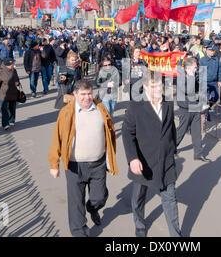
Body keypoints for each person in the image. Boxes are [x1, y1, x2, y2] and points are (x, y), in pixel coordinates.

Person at [48, 79, 118, 237]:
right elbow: (57, 139)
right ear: (75, 94)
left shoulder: (101, 108)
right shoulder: (66, 112)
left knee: (99, 197)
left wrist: (110, 157)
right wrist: (54, 163)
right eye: (83, 94)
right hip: (75, 166)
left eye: (89, 94)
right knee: (75, 204)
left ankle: (93, 208)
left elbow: (110, 132)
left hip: (97, 164)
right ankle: (80, 233)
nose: (87, 97)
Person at [122, 71, 182, 237]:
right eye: (154, 86)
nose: (157, 90)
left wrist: (174, 149)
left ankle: (176, 235)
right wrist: (133, 158)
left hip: (166, 160)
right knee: (139, 195)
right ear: (146, 87)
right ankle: (139, 224)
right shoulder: (136, 106)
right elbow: (127, 134)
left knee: (170, 198)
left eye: (160, 86)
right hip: (144, 161)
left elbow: (171, 128)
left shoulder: (168, 103)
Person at [176, 57, 210, 162]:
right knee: (181, 132)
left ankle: (198, 154)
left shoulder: (194, 77)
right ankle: (170, 148)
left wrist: (203, 103)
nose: (196, 69)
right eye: (195, 67)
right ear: (187, 68)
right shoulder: (182, 78)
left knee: (197, 132)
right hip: (185, 109)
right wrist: (191, 78)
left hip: (195, 108)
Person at [0, 58, 20, 131]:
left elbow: (17, 79)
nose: (14, 64)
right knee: (4, 109)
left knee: (12, 108)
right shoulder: (1, 73)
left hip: (13, 93)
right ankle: (5, 124)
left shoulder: (14, 71)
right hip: (3, 94)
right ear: (9, 65)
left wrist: (17, 82)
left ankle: (11, 120)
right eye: (13, 63)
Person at [199, 44, 221, 121]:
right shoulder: (202, 60)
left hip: (214, 82)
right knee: (206, 98)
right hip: (205, 82)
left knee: (216, 97)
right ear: (207, 51)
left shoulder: (216, 59)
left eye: (213, 51)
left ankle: (208, 107)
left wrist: (219, 80)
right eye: (211, 51)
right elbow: (200, 72)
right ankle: (207, 115)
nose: (213, 52)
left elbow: (220, 70)